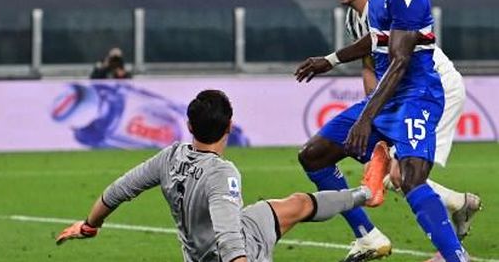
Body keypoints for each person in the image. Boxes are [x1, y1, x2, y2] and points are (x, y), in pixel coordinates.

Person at [295, 0, 470, 262]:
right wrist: (330, 60)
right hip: (390, 97)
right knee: (313, 155)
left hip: (417, 96)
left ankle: (455, 257)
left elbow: (399, 62)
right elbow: (377, 39)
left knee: (411, 179)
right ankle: (368, 236)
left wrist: (365, 119)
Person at [55, 89, 373, 261]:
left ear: (190, 126)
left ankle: (366, 193)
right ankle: (366, 194)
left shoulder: (170, 157)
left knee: (297, 204)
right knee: (288, 210)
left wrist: (89, 225)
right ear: (229, 126)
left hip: (215, 240)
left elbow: (117, 191)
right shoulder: (223, 174)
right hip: (227, 253)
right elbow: (229, 238)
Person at [331, 0, 481, 261]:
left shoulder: (384, 4)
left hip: (434, 88)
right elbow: (370, 68)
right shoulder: (353, 19)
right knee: (401, 176)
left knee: (403, 176)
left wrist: (376, 122)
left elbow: (402, 65)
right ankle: (458, 210)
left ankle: (455, 250)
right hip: (406, 92)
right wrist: (372, 116)